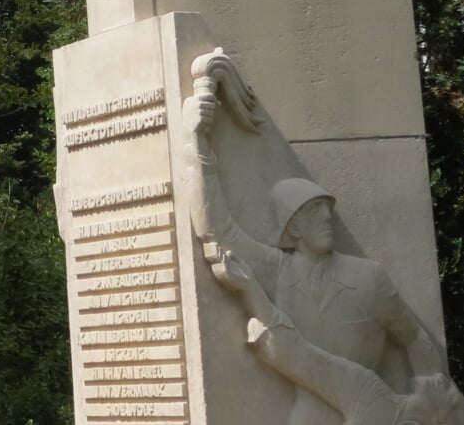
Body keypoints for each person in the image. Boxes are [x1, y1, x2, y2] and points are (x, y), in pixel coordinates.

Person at [184, 73, 448, 425]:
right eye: (311, 211)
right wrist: (196, 143)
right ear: (291, 228)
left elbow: (414, 337)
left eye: (325, 208)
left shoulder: (368, 278)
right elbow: (217, 229)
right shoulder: (277, 269)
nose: (325, 218)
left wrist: (430, 399)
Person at [208, 250, 464, 425]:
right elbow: (300, 357)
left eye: (452, 397)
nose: (445, 383)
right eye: (449, 387)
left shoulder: (371, 395)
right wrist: (250, 287)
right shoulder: (367, 391)